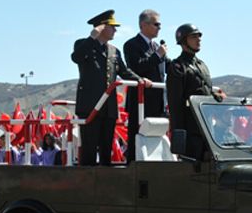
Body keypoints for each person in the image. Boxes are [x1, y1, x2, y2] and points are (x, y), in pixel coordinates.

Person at [71, 10, 151, 166]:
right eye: (112, 26)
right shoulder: (84, 44)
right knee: (89, 151)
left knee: (106, 150)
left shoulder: (114, 51)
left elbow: (124, 72)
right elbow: (76, 57)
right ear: (101, 27)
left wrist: (140, 80)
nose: (115, 30)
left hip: (108, 108)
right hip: (90, 107)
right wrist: (93, 37)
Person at [166, 24, 224, 159]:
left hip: (206, 127)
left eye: (199, 37)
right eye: (193, 37)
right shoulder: (178, 67)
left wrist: (214, 96)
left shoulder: (202, 65)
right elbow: (175, 105)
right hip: (190, 128)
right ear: (183, 41)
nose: (198, 40)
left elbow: (205, 90)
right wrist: (179, 134)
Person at [124, 9, 171, 163]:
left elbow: (169, 68)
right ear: (143, 25)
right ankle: (133, 166)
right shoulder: (131, 45)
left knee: (156, 137)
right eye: (156, 24)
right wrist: (157, 55)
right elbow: (137, 67)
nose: (159, 28)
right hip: (141, 102)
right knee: (137, 136)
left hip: (158, 101)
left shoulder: (157, 46)